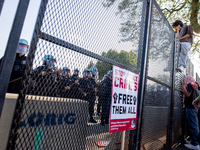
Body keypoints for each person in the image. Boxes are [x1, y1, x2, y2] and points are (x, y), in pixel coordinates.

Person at [181, 75, 199, 149]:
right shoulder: (195, 86)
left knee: (193, 126)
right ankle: (193, 141)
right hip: (193, 108)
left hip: (191, 108)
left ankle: (195, 144)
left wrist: (182, 86)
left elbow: (187, 94)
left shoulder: (189, 85)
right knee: (193, 125)